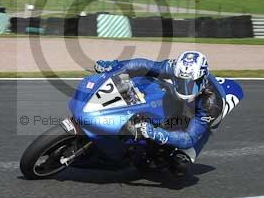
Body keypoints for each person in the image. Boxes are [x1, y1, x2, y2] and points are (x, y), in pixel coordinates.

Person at [94, 51, 225, 176]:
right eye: (181, 82)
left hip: (203, 118)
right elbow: (144, 65)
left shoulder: (211, 105)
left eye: (191, 85)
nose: (185, 89)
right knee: (149, 88)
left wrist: (154, 133)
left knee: (180, 166)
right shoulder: (175, 68)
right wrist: (115, 66)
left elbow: (189, 138)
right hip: (180, 103)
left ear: (202, 81)